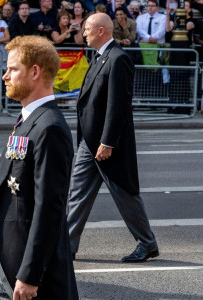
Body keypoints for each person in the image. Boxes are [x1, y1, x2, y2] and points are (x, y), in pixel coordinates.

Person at [0, 35, 78, 300]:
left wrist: (30, 274)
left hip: (29, 269)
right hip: (8, 258)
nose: (5, 76)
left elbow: (50, 207)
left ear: (35, 71)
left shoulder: (50, 128)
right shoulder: (28, 119)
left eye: (13, 69)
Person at [67, 13, 159, 263]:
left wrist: (107, 142)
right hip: (90, 139)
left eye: (86, 29)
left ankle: (147, 243)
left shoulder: (118, 58)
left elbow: (118, 105)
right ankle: (66, 245)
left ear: (100, 30)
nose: (83, 33)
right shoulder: (100, 57)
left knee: (124, 193)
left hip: (108, 143)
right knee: (77, 193)